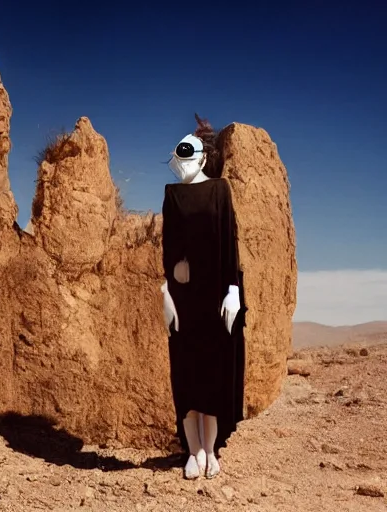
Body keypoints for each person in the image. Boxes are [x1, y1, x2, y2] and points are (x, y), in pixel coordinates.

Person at [160, 114, 247, 479]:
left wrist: (233, 290)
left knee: (213, 373)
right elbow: (167, 249)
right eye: (175, 154)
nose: (177, 160)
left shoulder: (220, 191)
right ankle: (193, 451)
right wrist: (166, 288)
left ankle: (211, 450)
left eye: (184, 152)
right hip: (184, 297)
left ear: (199, 156)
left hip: (214, 297)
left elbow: (230, 243)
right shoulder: (172, 195)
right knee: (187, 372)